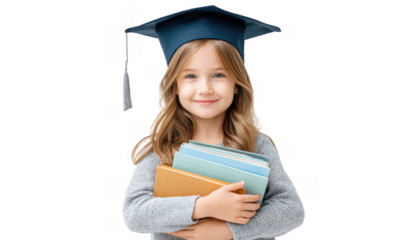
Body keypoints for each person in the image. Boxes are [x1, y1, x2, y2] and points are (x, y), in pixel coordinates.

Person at [122, 4, 304, 240]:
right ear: (174, 86)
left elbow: (292, 210)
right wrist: (203, 206)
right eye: (190, 76)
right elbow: (134, 215)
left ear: (237, 84)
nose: (205, 88)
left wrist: (228, 230)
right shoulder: (161, 148)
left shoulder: (256, 145)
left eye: (219, 75)